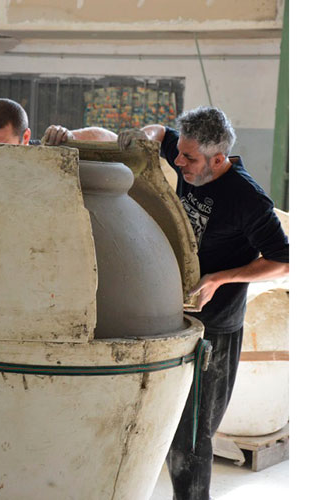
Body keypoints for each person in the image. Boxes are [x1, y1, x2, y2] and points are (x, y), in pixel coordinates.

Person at [47, 107, 289, 500]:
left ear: (218, 158)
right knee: (159, 424)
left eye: (189, 159)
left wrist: (221, 278)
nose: (179, 162)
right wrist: (105, 134)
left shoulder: (246, 198)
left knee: (192, 440)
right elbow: (158, 133)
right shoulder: (184, 149)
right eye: (180, 153)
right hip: (174, 316)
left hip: (216, 331)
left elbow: (284, 261)